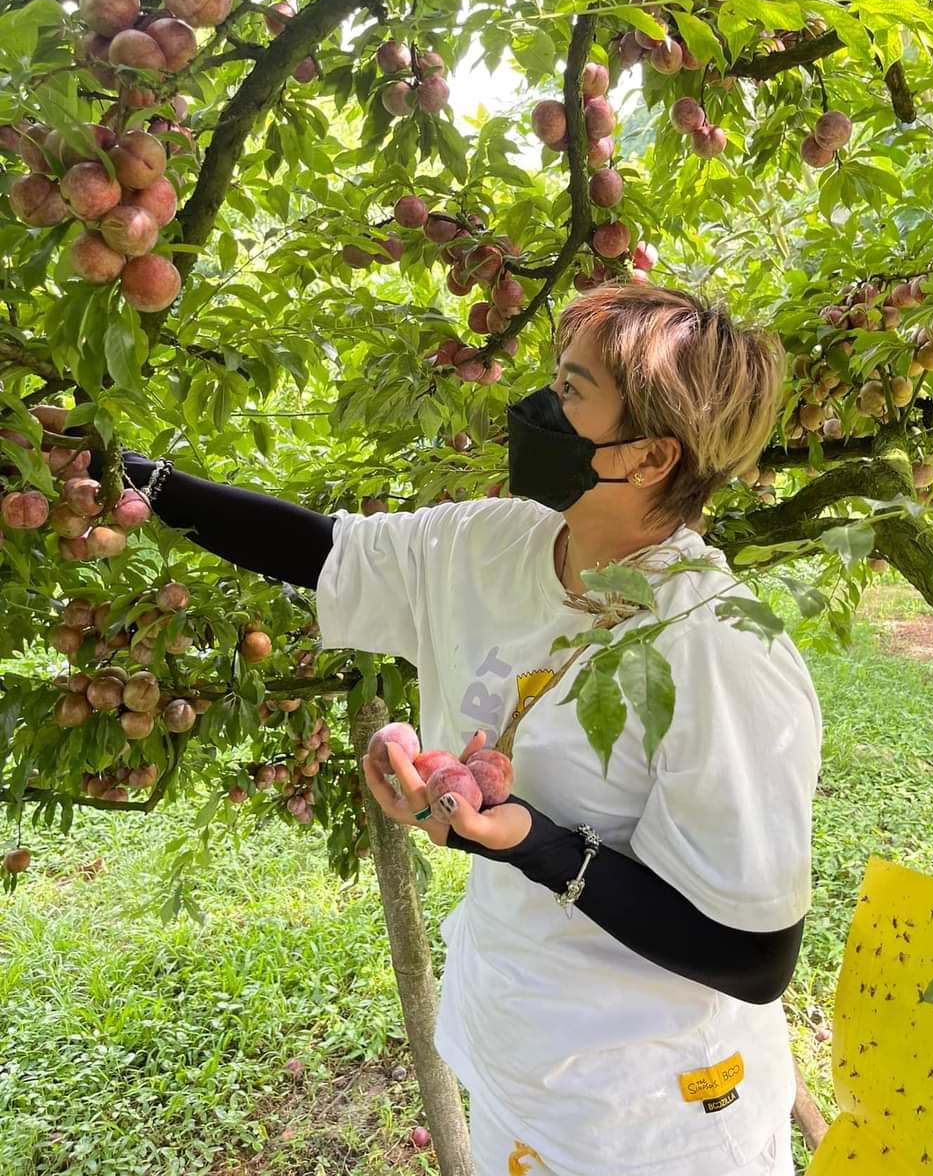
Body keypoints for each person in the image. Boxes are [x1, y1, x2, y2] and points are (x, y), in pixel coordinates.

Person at [92, 284, 822, 1176]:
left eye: (571, 390)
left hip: (654, 1108)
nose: (538, 409)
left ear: (650, 454)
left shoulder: (712, 647)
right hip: (520, 1050)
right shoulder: (500, 543)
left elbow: (752, 957)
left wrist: (536, 847)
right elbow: (325, 550)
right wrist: (135, 479)